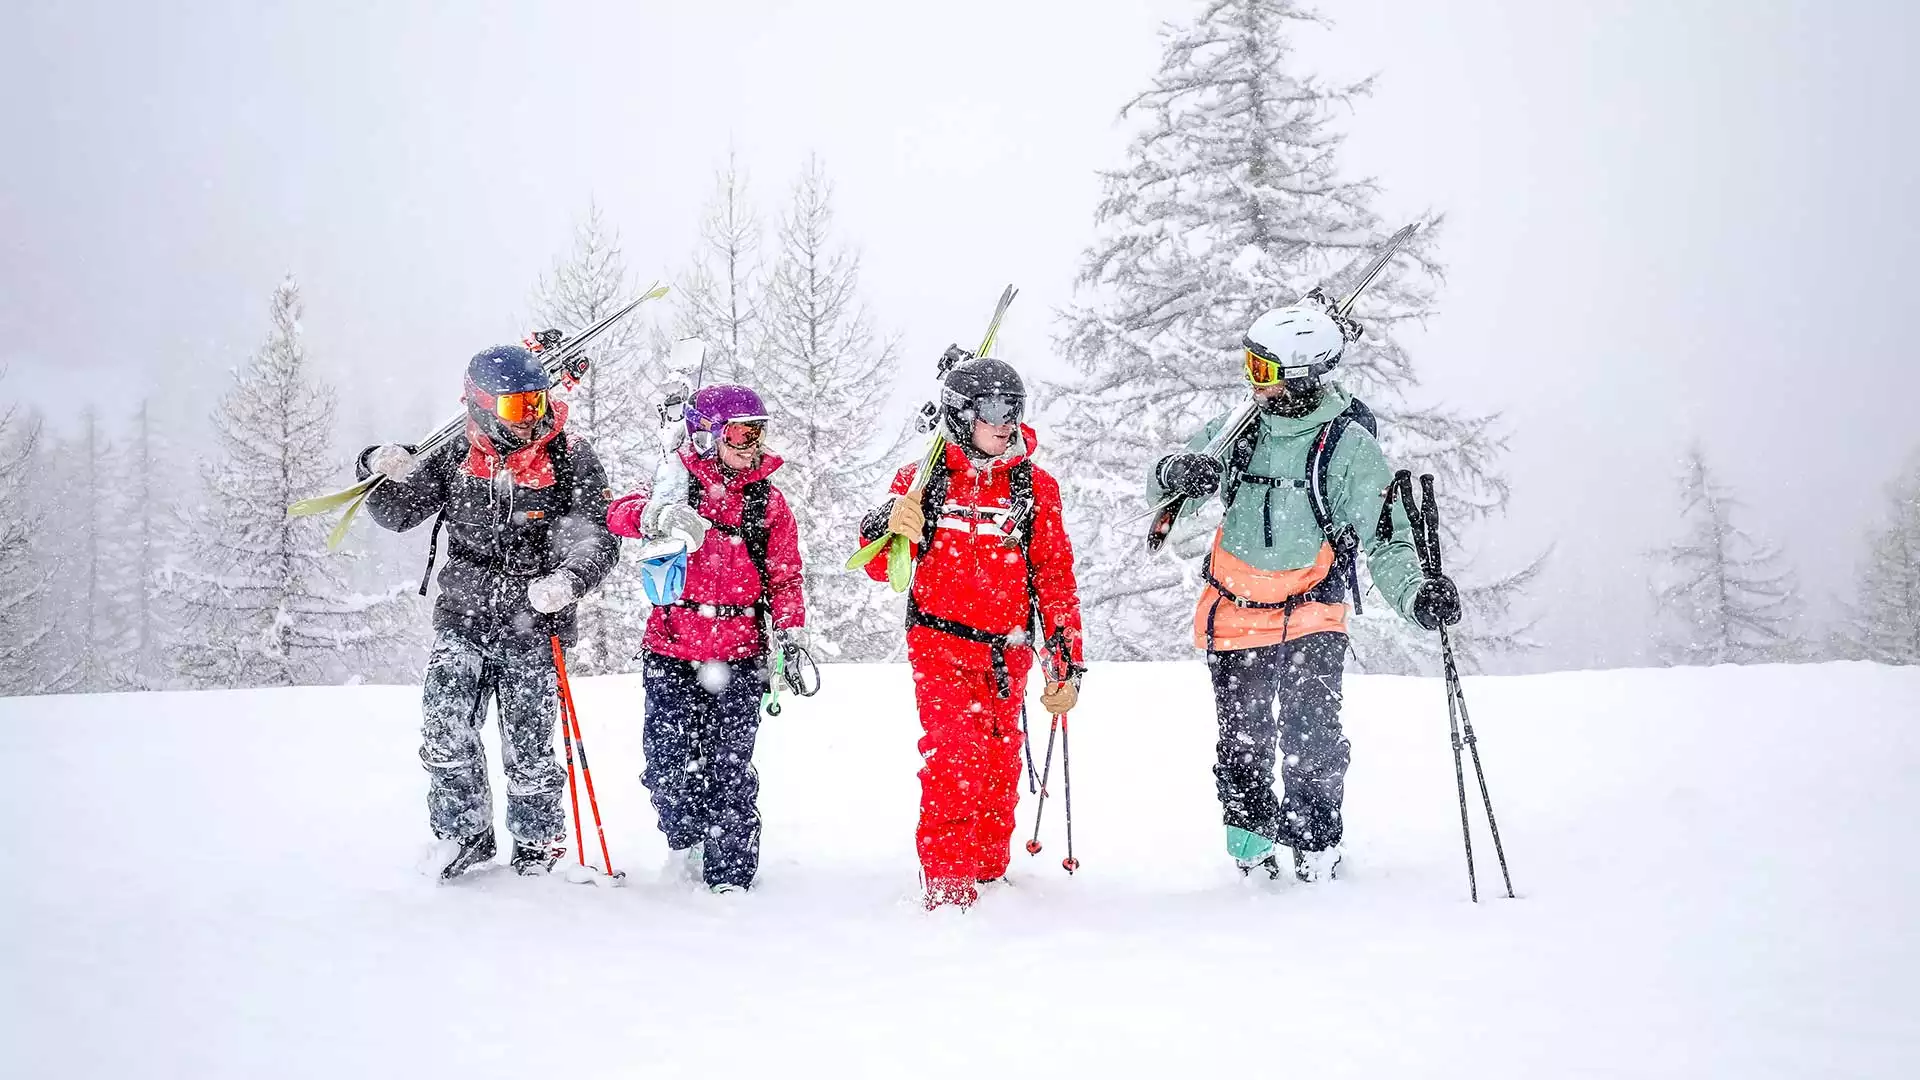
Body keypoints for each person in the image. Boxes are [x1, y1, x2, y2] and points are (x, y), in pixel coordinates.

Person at [1147, 303, 1463, 883]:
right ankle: (1250, 849)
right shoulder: (1239, 427)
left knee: (1310, 735)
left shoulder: (1346, 447)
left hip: (1312, 608)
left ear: (1302, 379)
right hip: (1233, 608)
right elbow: (1162, 488)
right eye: (1250, 364)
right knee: (1242, 739)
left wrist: (1419, 594)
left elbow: (1387, 540)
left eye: (1263, 371)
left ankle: (1317, 846)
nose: (1251, 381)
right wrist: (1177, 475)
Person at [358, 344, 620, 881]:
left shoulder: (568, 458)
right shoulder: (455, 456)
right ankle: (464, 835)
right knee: (444, 729)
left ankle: (537, 843)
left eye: (536, 402)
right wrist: (377, 467)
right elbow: (397, 514)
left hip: (534, 620)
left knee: (528, 742)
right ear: (479, 405)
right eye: (514, 408)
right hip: (464, 615)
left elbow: (597, 536)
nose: (529, 419)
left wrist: (568, 580)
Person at [854, 353, 1084, 910]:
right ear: (960, 414)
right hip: (938, 642)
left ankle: (987, 869)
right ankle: (949, 879)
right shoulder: (922, 481)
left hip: (1008, 651)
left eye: (1014, 409)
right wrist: (886, 525)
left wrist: (1064, 660)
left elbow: (1053, 578)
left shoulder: (1034, 488)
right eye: (991, 411)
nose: (1005, 422)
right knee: (956, 755)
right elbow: (883, 568)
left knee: (1000, 759)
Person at [605, 384, 806, 895]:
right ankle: (687, 840)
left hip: (740, 655)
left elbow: (784, 574)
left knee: (730, 768)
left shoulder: (767, 500)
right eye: (739, 431)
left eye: (757, 431)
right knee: (667, 766)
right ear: (708, 435)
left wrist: (792, 632)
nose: (750, 442)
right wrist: (655, 514)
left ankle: (730, 877)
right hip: (671, 650)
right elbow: (619, 511)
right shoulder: (675, 483)